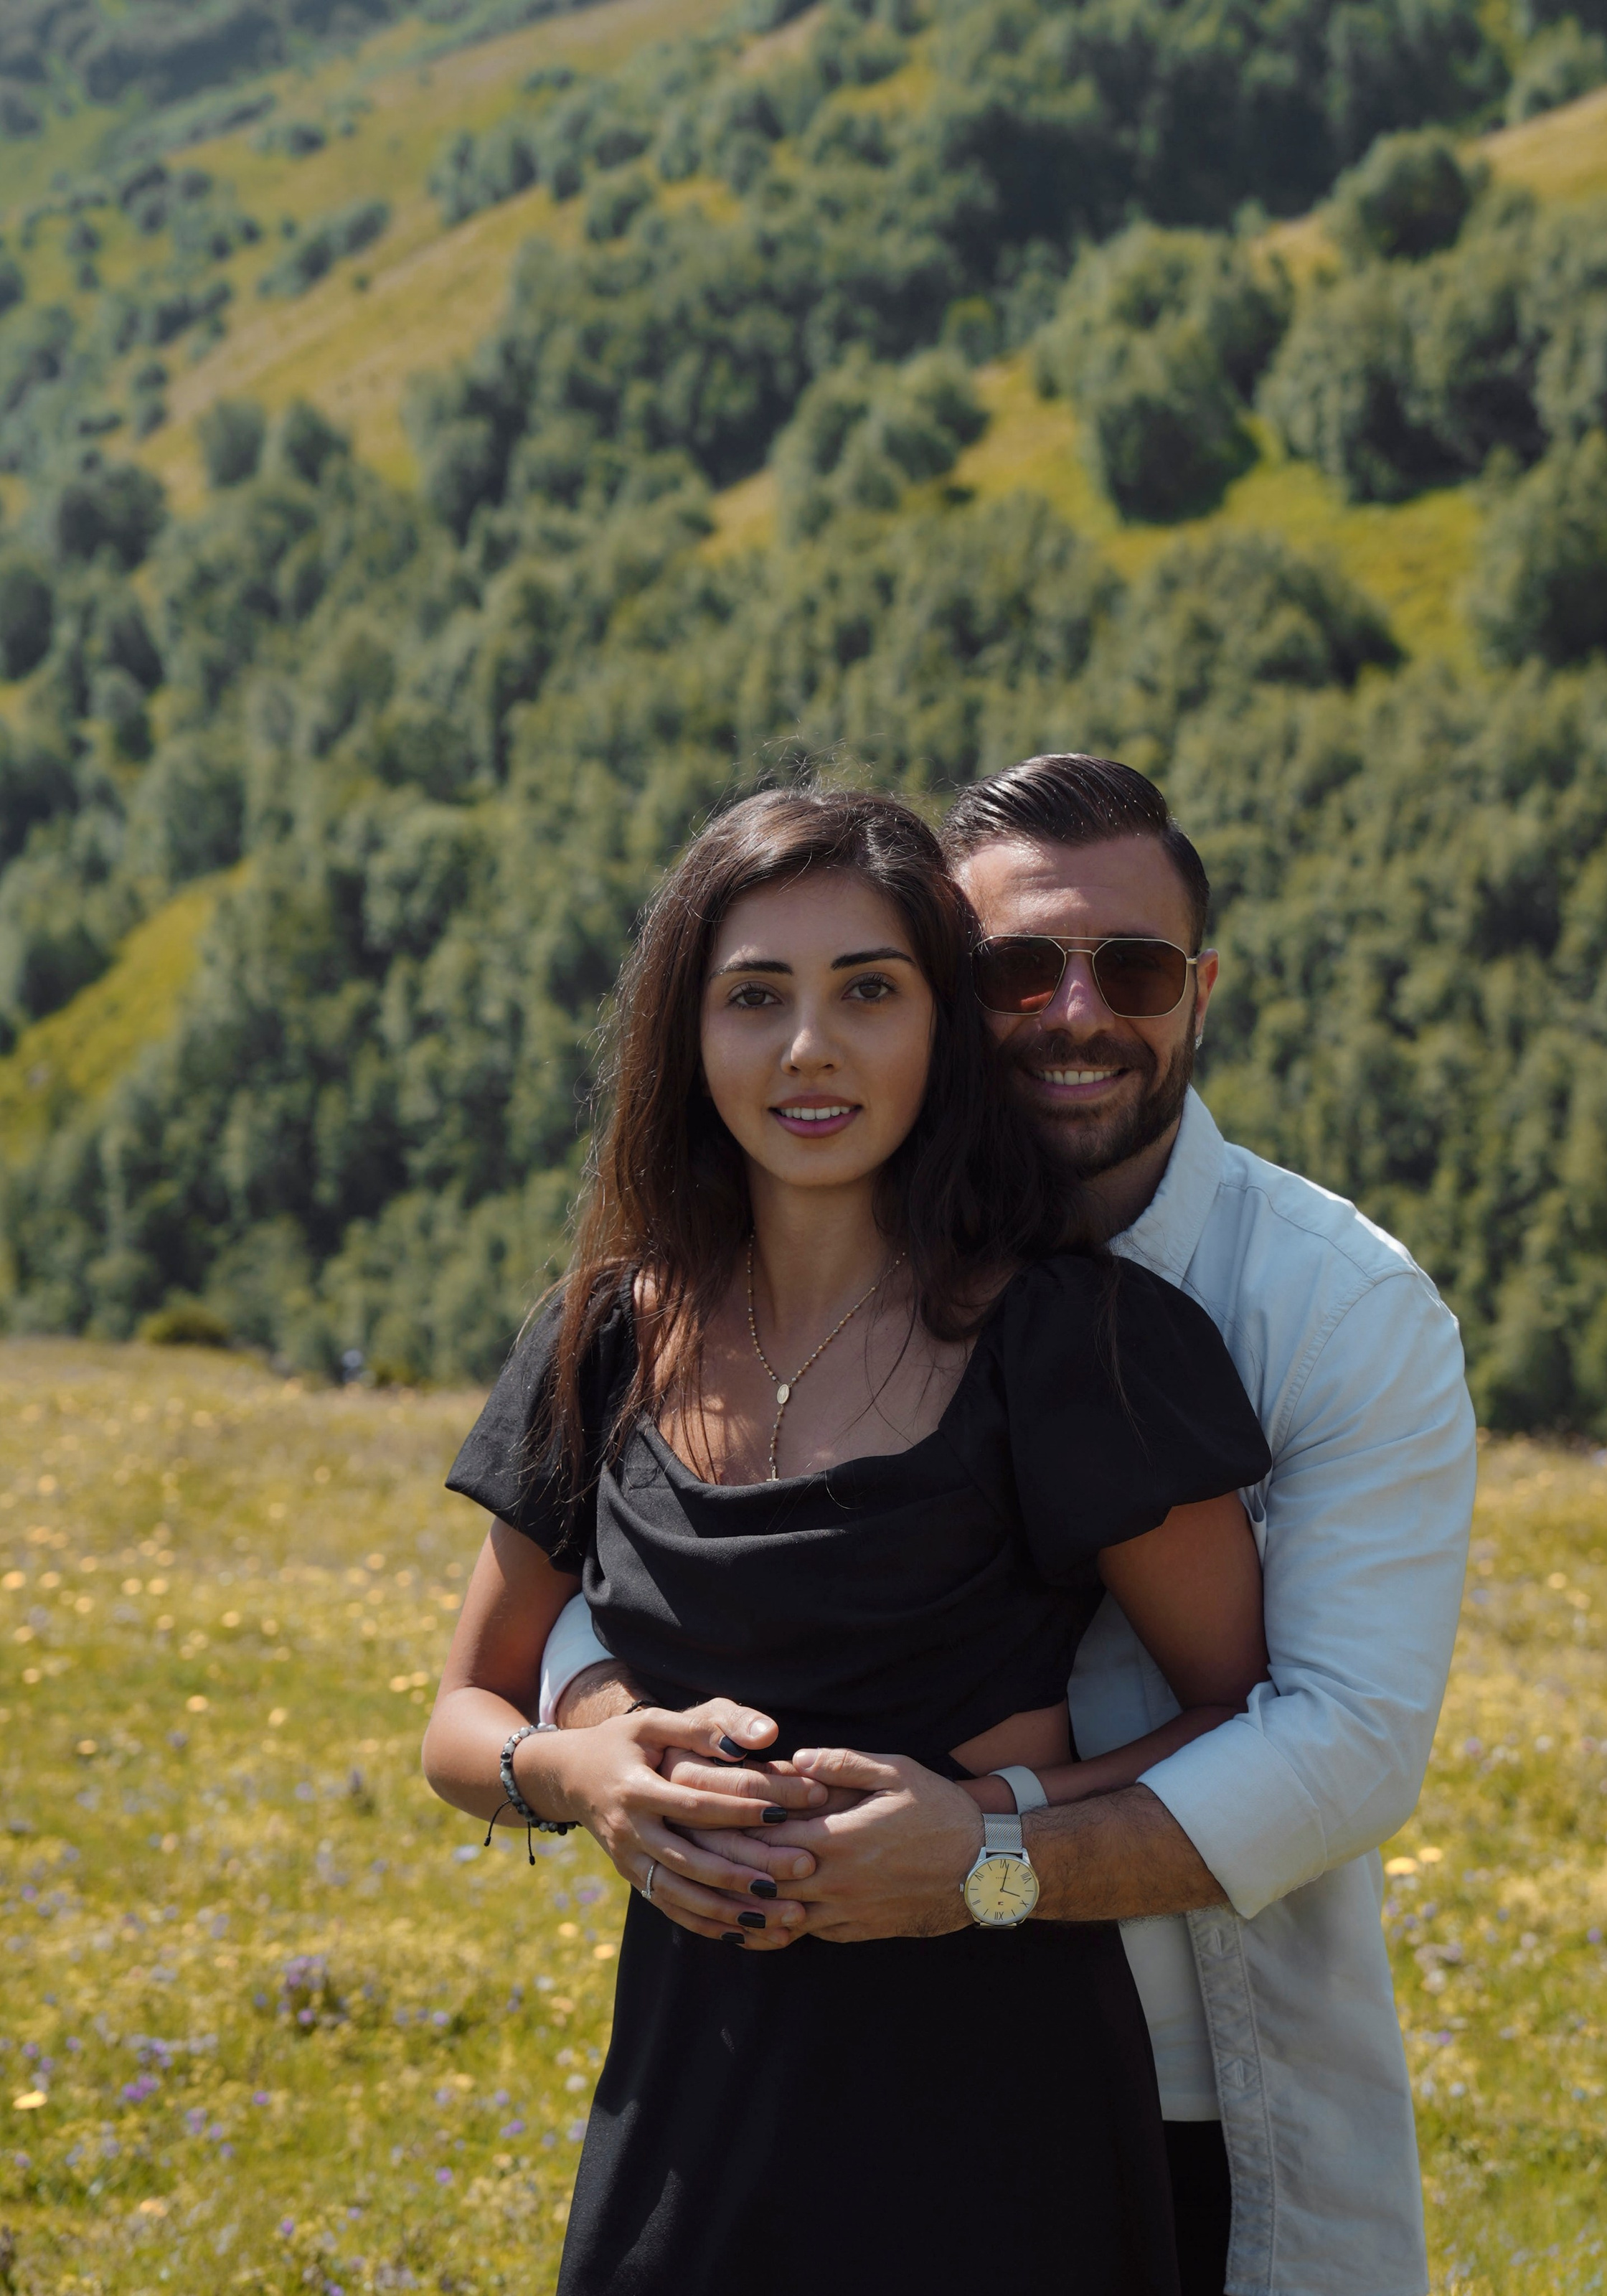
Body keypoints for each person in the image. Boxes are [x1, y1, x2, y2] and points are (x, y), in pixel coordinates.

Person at [537, 756, 1477, 2296]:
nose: (1071, 1012)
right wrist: (598, 1738)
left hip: (1195, 2067)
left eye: (1132, 967)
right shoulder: (769, 1287)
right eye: (1012, 968)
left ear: (1200, 990)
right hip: (812, 2050)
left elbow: (1348, 1740)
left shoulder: (1337, 1303)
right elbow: (641, 1547)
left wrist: (986, 1854)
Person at [423, 788, 1274, 2295]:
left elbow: (1239, 1721)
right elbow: (458, 1718)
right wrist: (585, 1777)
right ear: (686, 1037)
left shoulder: (1078, 1345)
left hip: (1002, 2134)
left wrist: (985, 1833)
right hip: (685, 2115)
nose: (808, 1049)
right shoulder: (600, 1337)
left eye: (866, 993)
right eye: (755, 997)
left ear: (939, 1030)